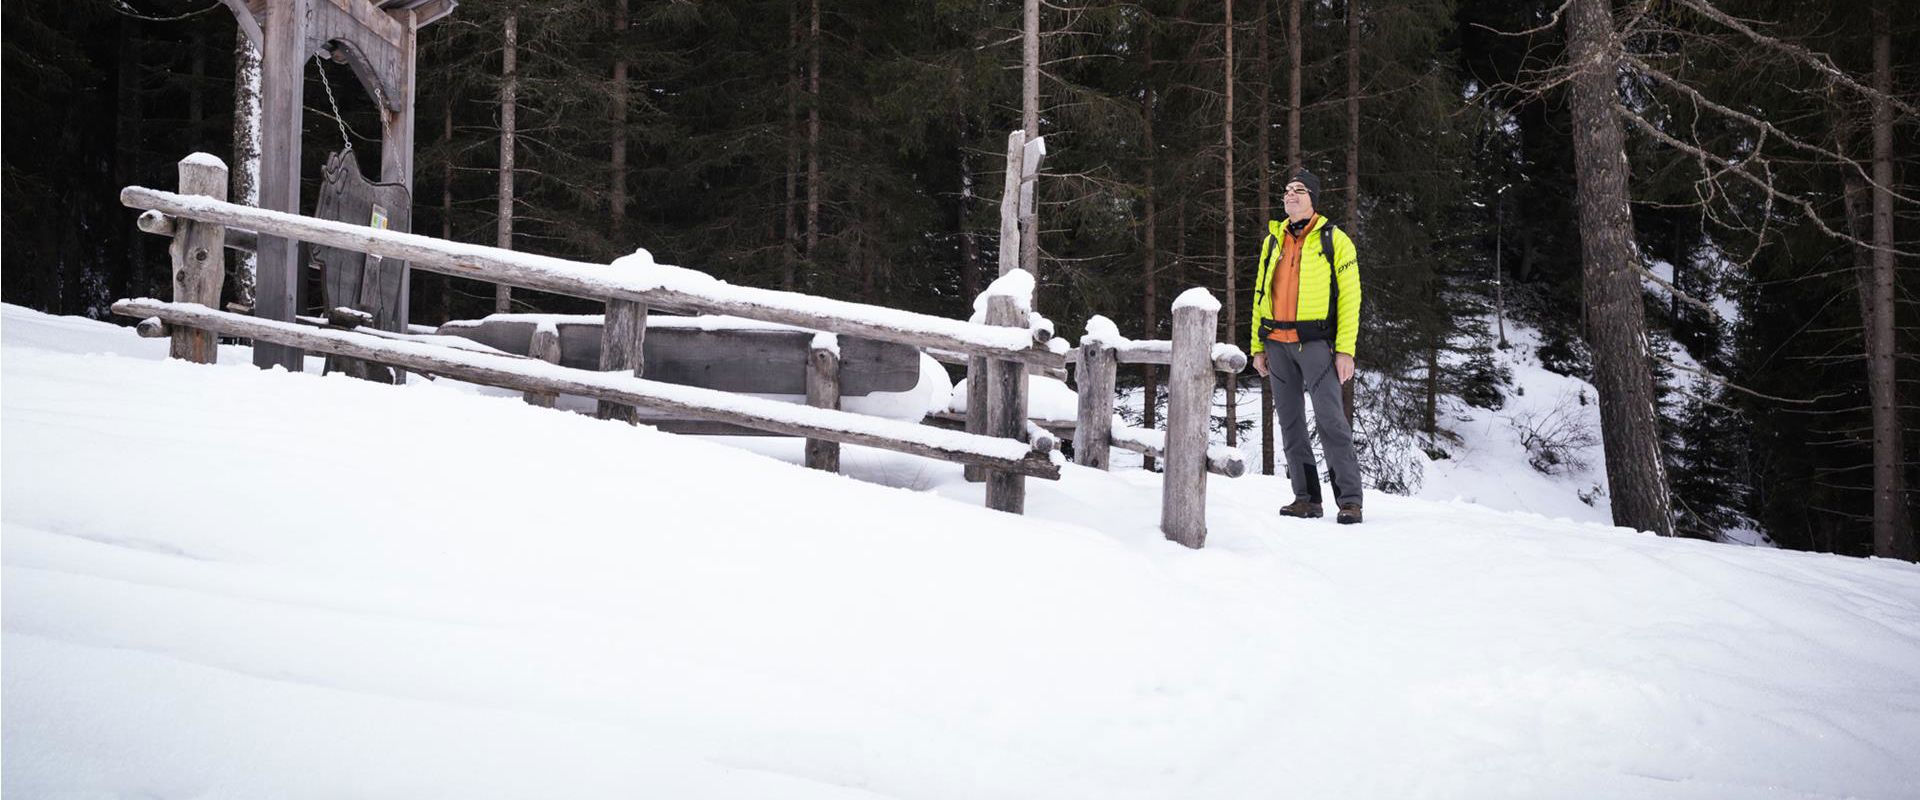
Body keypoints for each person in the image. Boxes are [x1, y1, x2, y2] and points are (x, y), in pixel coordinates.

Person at [1249, 168, 1364, 524]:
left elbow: (1350, 298)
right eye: (1286, 190)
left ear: (1313, 198)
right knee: (1291, 423)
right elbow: (1260, 295)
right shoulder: (1273, 242)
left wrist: (1345, 350)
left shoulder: (1335, 240)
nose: (1290, 195)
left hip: (1315, 345)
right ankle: (1306, 499)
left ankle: (1350, 501)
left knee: (1331, 421)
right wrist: (1257, 346)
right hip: (1276, 345)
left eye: (1299, 190)